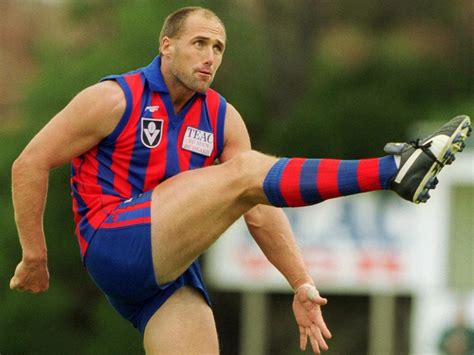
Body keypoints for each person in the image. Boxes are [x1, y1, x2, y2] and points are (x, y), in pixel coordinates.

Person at [9, 6, 471, 355]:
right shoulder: (114, 98)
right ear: (166, 45)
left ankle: (397, 172)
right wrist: (34, 256)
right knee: (247, 170)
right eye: (199, 43)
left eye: (219, 48)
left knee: (247, 175)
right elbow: (29, 163)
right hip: (113, 243)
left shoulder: (222, 118)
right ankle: (393, 171)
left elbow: (259, 207)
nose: (210, 57)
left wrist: (301, 283)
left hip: (166, 273)